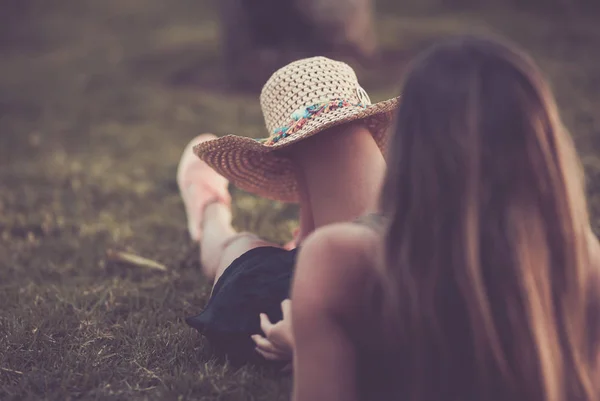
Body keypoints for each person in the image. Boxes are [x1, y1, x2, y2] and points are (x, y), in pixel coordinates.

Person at [256, 36, 600, 400]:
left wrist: (310, 342)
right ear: (547, 150)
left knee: (238, 250)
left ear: (411, 149)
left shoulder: (341, 259)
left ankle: (207, 206)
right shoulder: (585, 264)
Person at [176, 56, 398, 365]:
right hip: (371, 269)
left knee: (240, 246)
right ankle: (214, 215)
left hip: (286, 300)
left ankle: (211, 212)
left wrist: (313, 340)